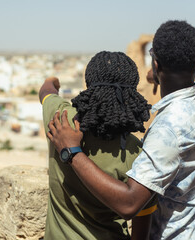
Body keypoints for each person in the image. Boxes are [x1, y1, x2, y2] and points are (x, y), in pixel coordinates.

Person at [48, 20, 195, 239]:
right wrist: (158, 75)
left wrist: (72, 151)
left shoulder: (167, 131)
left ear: (156, 64)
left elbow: (129, 204)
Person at [39, 51, 157, 240]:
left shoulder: (62, 120)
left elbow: (46, 92)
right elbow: (141, 229)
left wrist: (52, 80)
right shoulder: (136, 152)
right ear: (132, 92)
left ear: (88, 85)